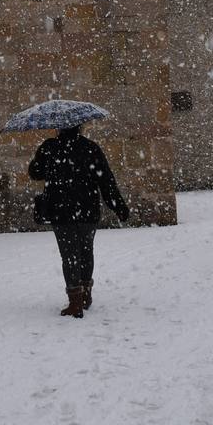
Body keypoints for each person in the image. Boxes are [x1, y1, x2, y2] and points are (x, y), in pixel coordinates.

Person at [28, 124, 130, 318]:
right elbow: (106, 181)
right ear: (80, 127)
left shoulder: (49, 147)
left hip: (61, 212)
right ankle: (84, 294)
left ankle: (75, 300)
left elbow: (35, 173)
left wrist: (40, 158)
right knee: (85, 251)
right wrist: (119, 207)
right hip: (87, 211)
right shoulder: (91, 148)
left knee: (69, 255)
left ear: (59, 128)